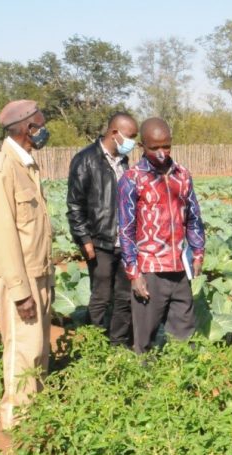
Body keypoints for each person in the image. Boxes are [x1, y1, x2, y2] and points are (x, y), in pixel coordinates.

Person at [0, 100, 53, 430]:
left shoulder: (26, 164)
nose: (44, 130)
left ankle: (37, 409)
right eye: (40, 124)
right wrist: (20, 292)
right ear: (27, 129)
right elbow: (2, 235)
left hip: (39, 271)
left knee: (37, 349)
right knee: (22, 349)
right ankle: (17, 420)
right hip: (19, 279)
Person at [118, 117, 204, 353]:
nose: (161, 153)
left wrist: (197, 252)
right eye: (154, 147)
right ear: (142, 146)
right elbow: (126, 229)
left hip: (179, 266)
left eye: (166, 146)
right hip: (151, 268)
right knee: (144, 339)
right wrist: (134, 273)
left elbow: (194, 217)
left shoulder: (182, 175)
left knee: (184, 334)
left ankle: (181, 381)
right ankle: (145, 384)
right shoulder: (132, 179)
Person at [67, 112, 138, 347]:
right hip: (99, 240)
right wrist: (84, 238)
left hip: (124, 242)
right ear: (114, 133)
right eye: (130, 136)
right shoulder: (85, 159)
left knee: (123, 296)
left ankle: (118, 343)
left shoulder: (123, 161)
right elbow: (75, 204)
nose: (132, 143)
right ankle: (93, 344)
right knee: (101, 296)